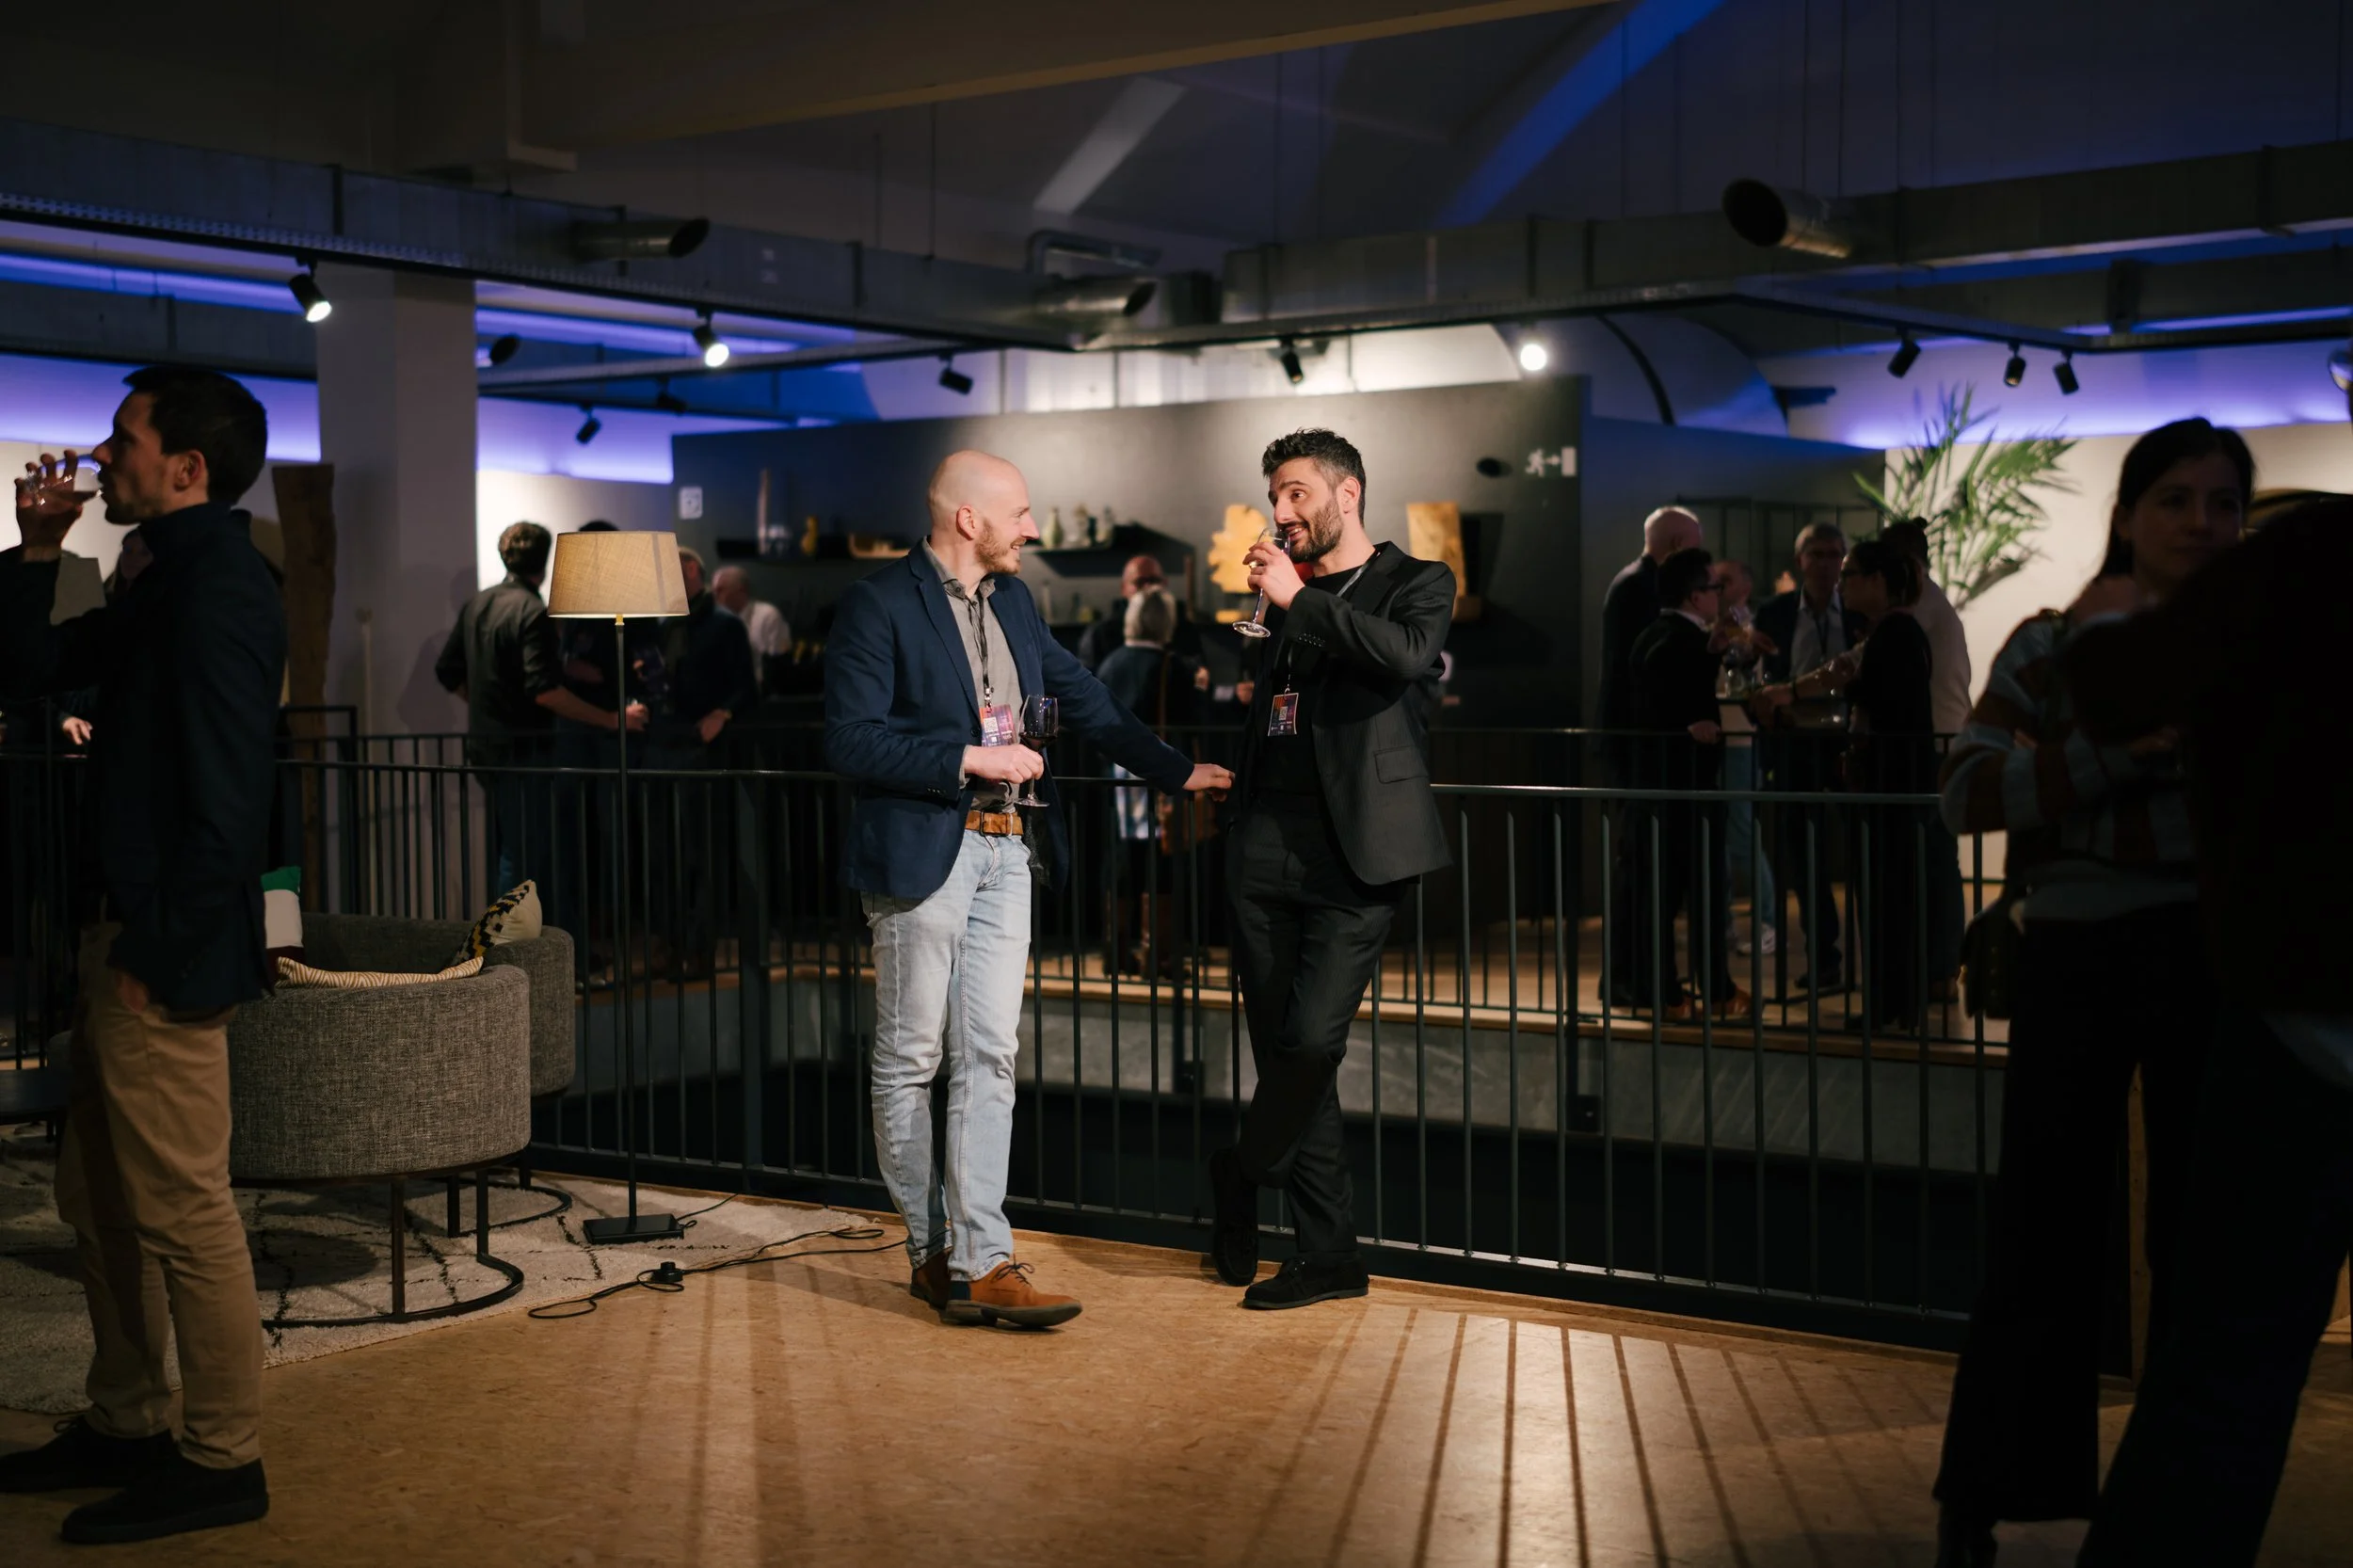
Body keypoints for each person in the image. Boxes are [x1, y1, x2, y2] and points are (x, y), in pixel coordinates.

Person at [1923, 418, 2249, 1568]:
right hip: (2080, 962)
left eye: (2222, 503)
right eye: (2175, 500)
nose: (2201, 524)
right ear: (2127, 512)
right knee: (2042, 1231)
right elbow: (1963, 795)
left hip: (2221, 965)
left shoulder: (2257, 649)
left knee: (2202, 1243)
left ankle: (2173, 1506)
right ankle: (1985, 1497)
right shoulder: (2048, 647)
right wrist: (2122, 755)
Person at [824, 450, 1230, 1328]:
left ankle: (984, 1258)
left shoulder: (1014, 599)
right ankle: (932, 1253)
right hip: (922, 853)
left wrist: (1175, 771)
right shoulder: (878, 603)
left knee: (991, 1057)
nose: (1034, 529)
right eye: (1020, 513)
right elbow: (849, 741)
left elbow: (1084, 697)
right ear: (968, 519)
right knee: (909, 1063)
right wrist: (971, 756)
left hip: (1009, 851)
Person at [0, 367, 284, 1544]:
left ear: (187, 468)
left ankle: (222, 1456)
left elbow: (232, 791)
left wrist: (157, 948)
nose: (101, 456)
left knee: (182, 1208)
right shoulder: (167, 571)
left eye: (123, 440)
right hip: (121, 927)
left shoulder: (218, 581)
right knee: (99, 1194)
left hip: (161, 945)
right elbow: (31, 669)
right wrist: (33, 550)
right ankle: (126, 1418)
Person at [2062, 495, 2353, 1568]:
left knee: (2228, 1372)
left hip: (2301, 1019)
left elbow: (2113, 688)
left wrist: (2105, 621)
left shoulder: (2312, 553)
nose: (2202, 525)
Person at [1207, 427, 1455, 1310]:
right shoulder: (1287, 595)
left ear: (1346, 494)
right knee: (1283, 1054)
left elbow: (1402, 658)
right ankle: (1329, 1255)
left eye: (1298, 494)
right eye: (1275, 495)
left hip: (1358, 854)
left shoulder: (1417, 580)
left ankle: (1239, 1172)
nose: (1282, 512)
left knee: (1311, 1043)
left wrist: (1294, 598)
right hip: (1264, 843)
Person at [1759, 537, 1935, 1032]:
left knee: (1885, 896)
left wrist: (1841, 685)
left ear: (1879, 582)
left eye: (1851, 573)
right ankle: (1895, 1001)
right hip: (1892, 782)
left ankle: (1888, 1002)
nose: (1842, 579)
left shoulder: (1894, 634)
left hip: (1891, 784)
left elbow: (1883, 699)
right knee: (1885, 893)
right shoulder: (1893, 632)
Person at [435, 521, 644, 902]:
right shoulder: (533, 610)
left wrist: (489, 704)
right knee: (523, 856)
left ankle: (509, 948)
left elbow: (447, 671)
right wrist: (612, 719)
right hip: (524, 752)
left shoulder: (478, 603)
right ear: (546, 562)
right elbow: (545, 691)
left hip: (485, 747)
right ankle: (513, 952)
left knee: (511, 850)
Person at [1624, 549, 1750, 1020]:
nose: (1723, 595)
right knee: (1701, 893)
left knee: (1663, 897)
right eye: (1716, 588)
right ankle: (1700, 991)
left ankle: (1669, 991)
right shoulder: (1678, 641)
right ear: (1697, 595)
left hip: (1659, 790)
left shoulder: (1655, 635)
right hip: (1686, 790)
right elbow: (1670, 696)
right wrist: (1686, 728)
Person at [1752, 521, 1865, 994]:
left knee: (1863, 850)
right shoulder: (1775, 613)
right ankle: (1824, 959)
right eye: (1816, 554)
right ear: (1800, 561)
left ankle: (1875, 959)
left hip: (1850, 745)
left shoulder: (1860, 612)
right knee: (1803, 857)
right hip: (1795, 744)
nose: (1825, 564)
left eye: (1834, 554)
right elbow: (1756, 680)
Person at [1596, 505, 1703, 1003]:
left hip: (1638, 748)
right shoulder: (1642, 591)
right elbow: (1643, 677)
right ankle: (1635, 980)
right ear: (1678, 545)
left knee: (1643, 870)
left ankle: (1635, 978)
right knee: (1642, 870)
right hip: (1642, 752)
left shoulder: (1632, 585)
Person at [637, 547, 756, 978]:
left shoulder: (724, 626)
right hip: (662, 750)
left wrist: (721, 714)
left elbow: (745, 686)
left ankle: (697, 949)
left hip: (698, 753)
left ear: (689, 571)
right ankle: (670, 946)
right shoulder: (665, 625)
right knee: (660, 856)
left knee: (698, 855)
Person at [1882, 519, 1971, 998]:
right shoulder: (1931, 605)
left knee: (1934, 859)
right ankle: (1939, 967)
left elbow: (1869, 658)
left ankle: (1937, 969)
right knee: (1939, 859)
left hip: (1935, 746)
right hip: (1946, 741)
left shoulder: (1919, 611)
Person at [1095, 585, 1202, 978]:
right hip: (1159, 777)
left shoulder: (1110, 664)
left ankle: (1116, 953)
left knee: (1121, 865)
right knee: (1161, 865)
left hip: (1115, 778)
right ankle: (1160, 956)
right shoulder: (1174, 667)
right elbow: (1191, 720)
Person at [1713, 559, 1777, 958]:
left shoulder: (1753, 634)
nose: (1717, 588)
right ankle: (1724, 923)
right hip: (1716, 741)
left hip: (1740, 742)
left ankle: (1766, 922)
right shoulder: (1713, 630)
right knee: (1717, 838)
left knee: (1740, 834)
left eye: (1725, 582)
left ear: (1744, 588)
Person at [1077, 552, 1202, 671]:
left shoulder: (1185, 630)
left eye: (1154, 581)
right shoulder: (1100, 635)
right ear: (1124, 588)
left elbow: (1202, 682)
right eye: (1140, 582)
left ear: (1165, 584)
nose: (1148, 587)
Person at [709, 564, 788, 695]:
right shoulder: (715, 621)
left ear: (741, 590)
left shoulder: (767, 616)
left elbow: (779, 665)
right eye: (714, 591)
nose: (715, 596)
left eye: (720, 590)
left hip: (762, 695)